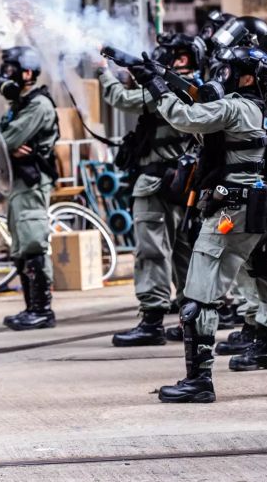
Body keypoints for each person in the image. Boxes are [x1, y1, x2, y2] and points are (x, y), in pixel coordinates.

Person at [135, 47, 267, 403]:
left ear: (247, 77)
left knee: (198, 299)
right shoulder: (262, 110)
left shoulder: (235, 107)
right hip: (259, 209)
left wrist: (154, 84)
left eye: (230, 72)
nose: (223, 77)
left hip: (230, 214)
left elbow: (185, 118)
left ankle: (199, 380)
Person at [100, 34, 201, 346]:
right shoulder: (194, 84)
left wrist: (103, 72)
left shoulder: (170, 85)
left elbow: (123, 99)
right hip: (180, 182)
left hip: (158, 181)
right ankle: (191, 319)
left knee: (151, 251)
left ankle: (152, 321)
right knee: (184, 250)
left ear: (182, 59)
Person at [0, 46, 60, 331]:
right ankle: (30, 307)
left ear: (26, 73)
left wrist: (8, 145)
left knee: (33, 240)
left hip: (32, 179)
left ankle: (42, 310)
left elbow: (5, 141)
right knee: (21, 244)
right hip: (18, 181)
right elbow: (2, 141)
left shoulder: (38, 105)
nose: (4, 76)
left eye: (10, 70)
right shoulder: (19, 105)